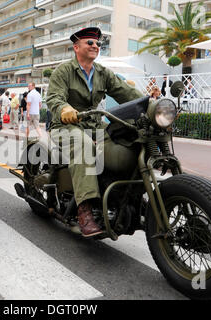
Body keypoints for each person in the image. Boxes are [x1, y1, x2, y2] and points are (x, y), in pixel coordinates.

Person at [46, 27, 144, 237]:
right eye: (90, 42)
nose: (95, 46)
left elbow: (128, 94)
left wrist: (153, 106)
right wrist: (65, 109)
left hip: (94, 125)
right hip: (65, 126)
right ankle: (85, 210)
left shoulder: (102, 73)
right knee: (83, 145)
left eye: (98, 43)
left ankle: (128, 197)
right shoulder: (63, 71)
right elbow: (54, 97)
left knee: (128, 137)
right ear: (76, 47)